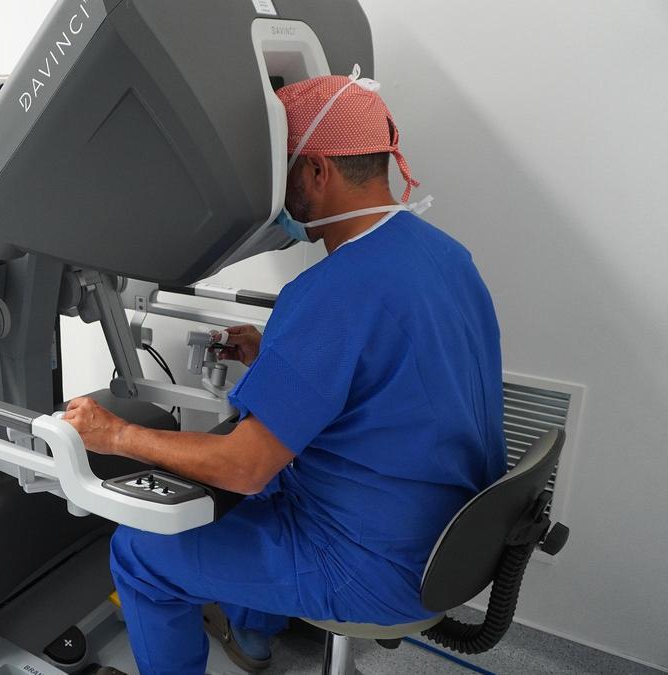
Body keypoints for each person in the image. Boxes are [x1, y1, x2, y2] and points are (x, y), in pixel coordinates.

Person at [63, 69, 506, 675]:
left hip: (371, 562)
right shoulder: (445, 255)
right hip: (447, 535)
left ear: (318, 173)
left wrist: (115, 436)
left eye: (283, 171)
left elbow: (243, 469)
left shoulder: (329, 291)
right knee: (280, 478)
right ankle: (251, 638)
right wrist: (281, 355)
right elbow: (393, 366)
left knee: (140, 553)